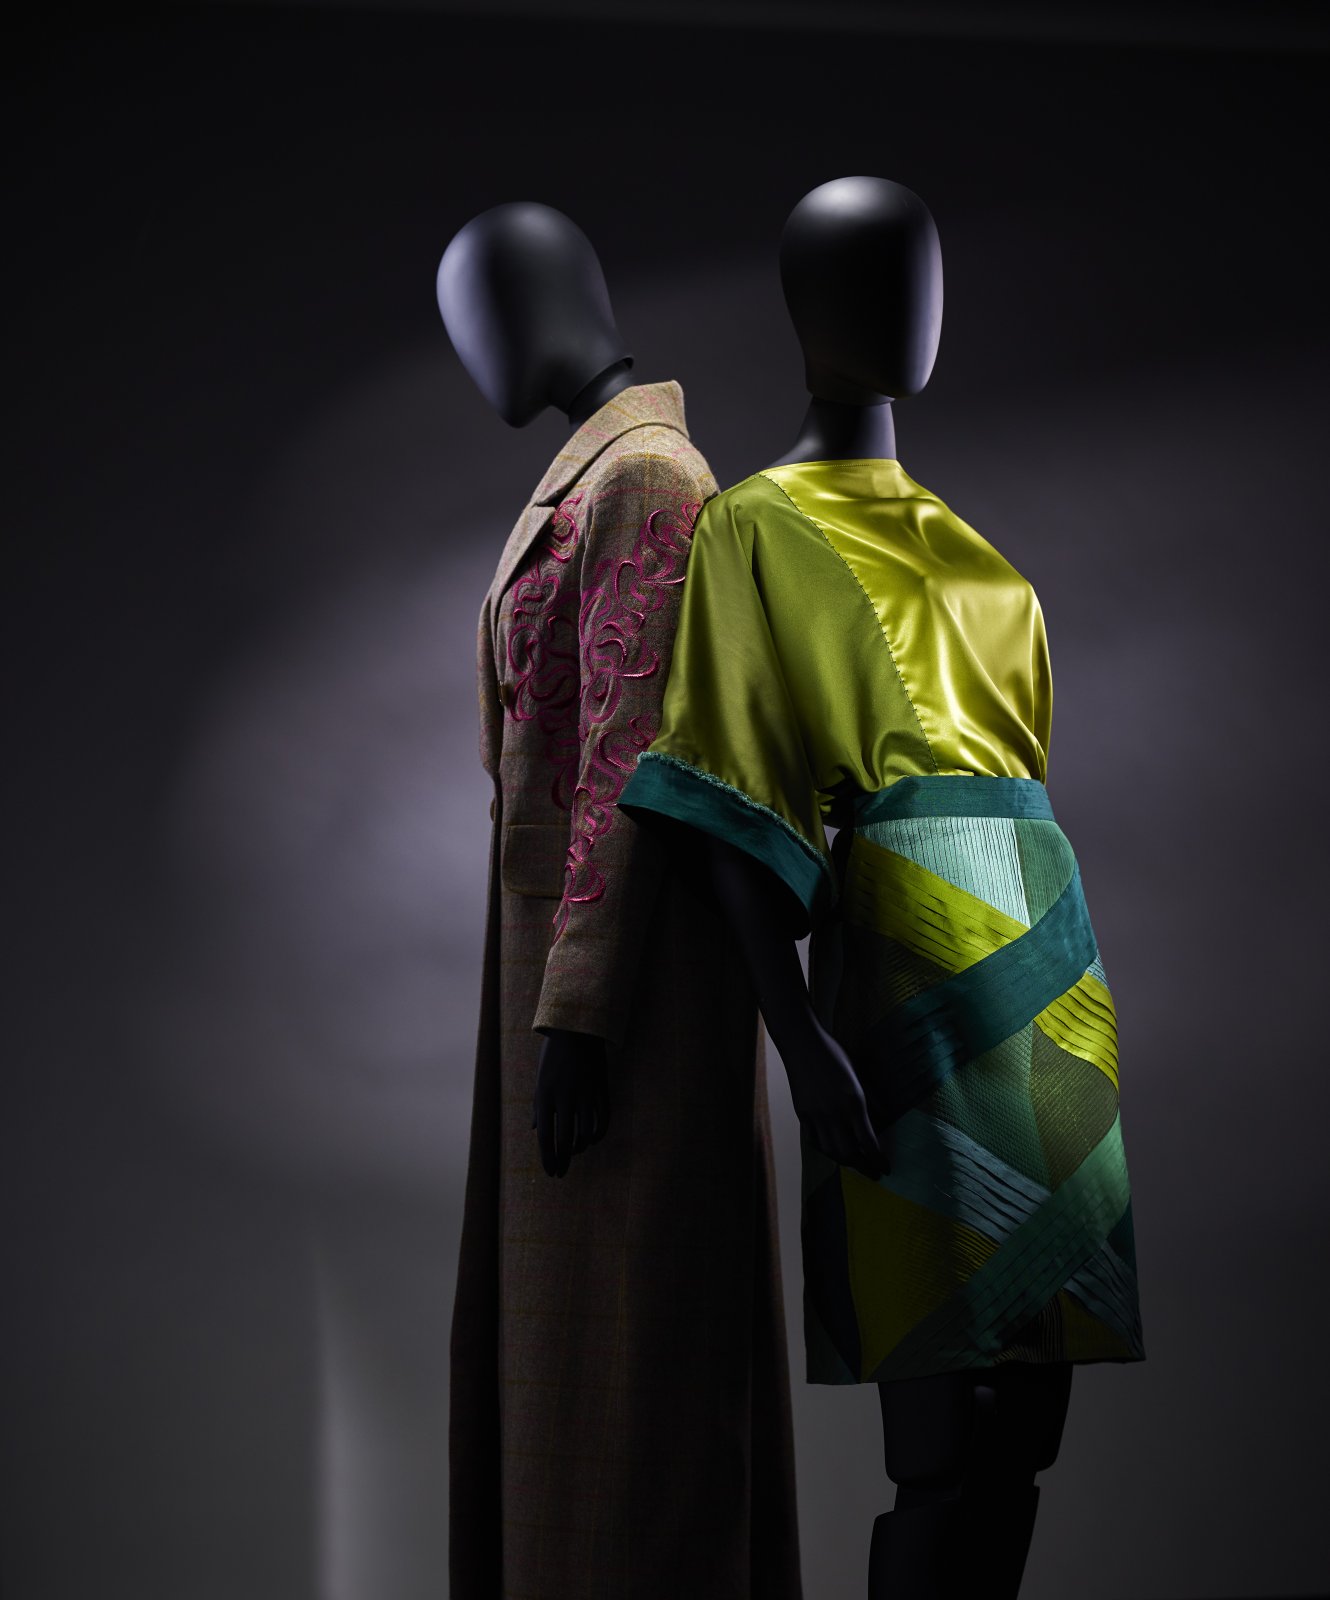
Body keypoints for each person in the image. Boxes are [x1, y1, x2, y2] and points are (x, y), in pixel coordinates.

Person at [620, 176, 1144, 1600]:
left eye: (922, 275)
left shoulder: (976, 552)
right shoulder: (751, 526)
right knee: (943, 1417)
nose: (911, 311)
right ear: (805, 310)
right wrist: (794, 1034)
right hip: (903, 964)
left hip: (1048, 960)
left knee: (1028, 1417)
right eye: (868, 280)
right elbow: (725, 782)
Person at [439, 201, 802, 1600]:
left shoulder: (649, 477)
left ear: (537, 303)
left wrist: (579, 1012)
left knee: (635, 1372)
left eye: (472, 311)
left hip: (628, 985)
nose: (468, 347)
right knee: (569, 1368)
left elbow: (630, 753)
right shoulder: (599, 475)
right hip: (557, 964)